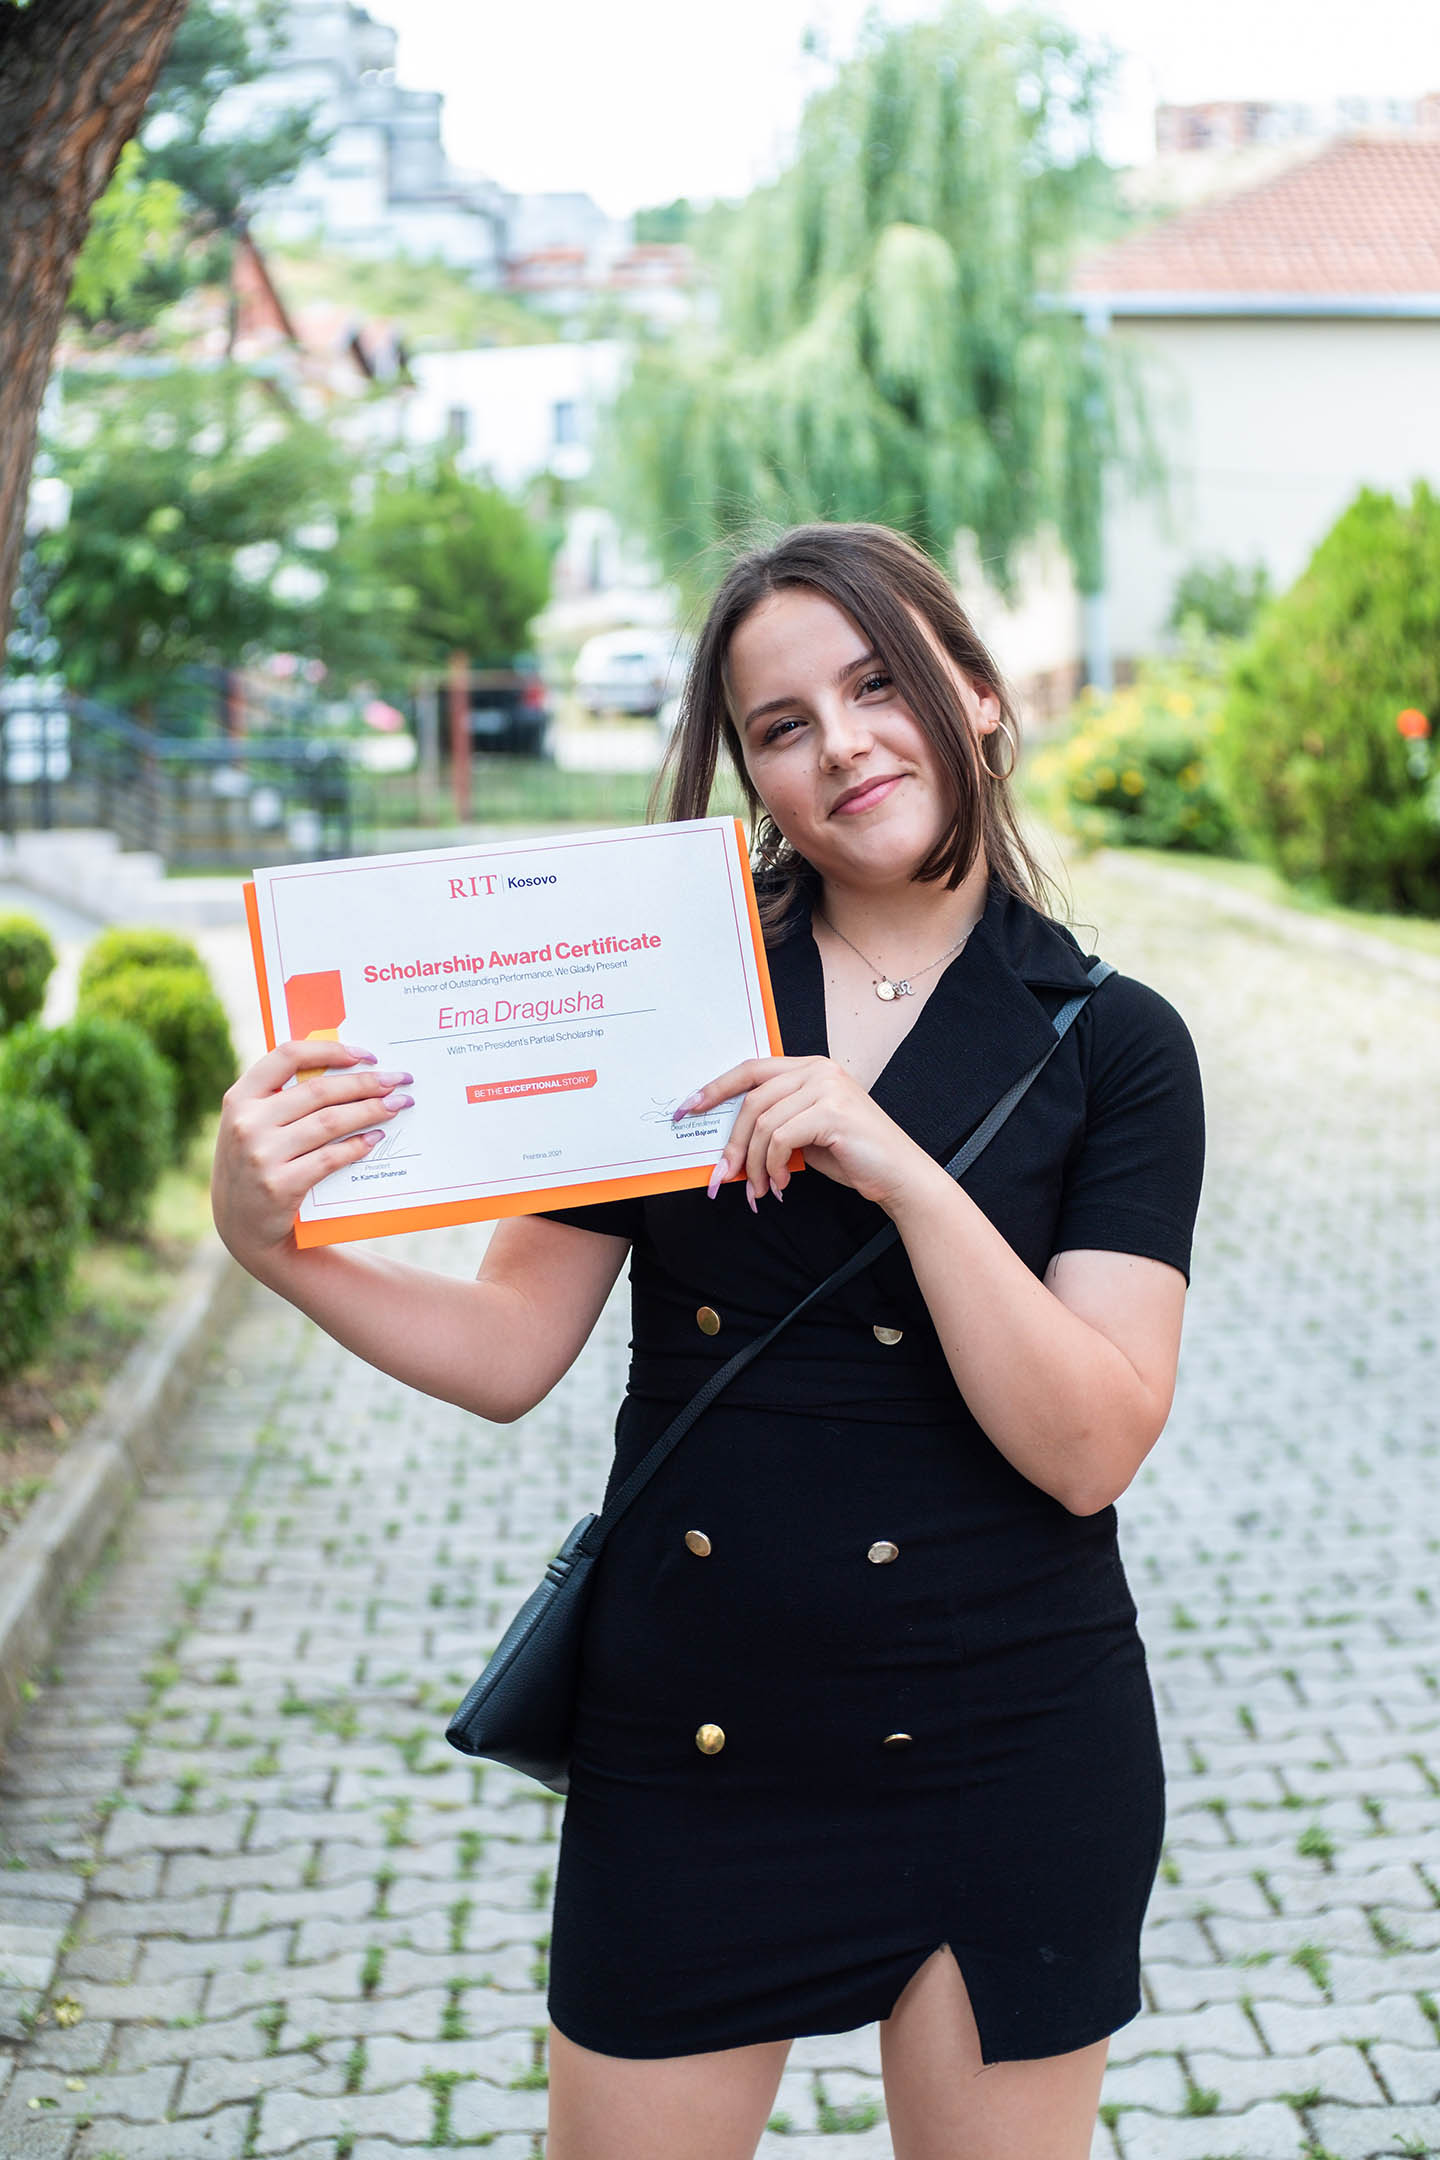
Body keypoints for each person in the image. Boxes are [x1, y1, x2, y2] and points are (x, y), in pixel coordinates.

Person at [212, 522, 1204, 2160]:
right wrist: (277, 1246)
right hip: (695, 1744)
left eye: (880, 686)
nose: (845, 746)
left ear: (976, 693)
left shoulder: (1116, 1044)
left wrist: (896, 1166)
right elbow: (509, 1349)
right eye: (783, 725)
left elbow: (1091, 1445)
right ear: (751, 775)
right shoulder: (667, 987)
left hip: (1008, 1739)